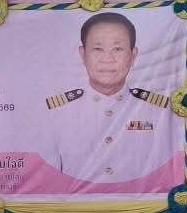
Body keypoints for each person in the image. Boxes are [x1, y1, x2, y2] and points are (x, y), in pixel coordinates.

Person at [41, 12, 179, 185]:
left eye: (118, 49)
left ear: (132, 56)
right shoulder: (57, 112)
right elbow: (49, 181)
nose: (107, 59)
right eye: (98, 49)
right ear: (83, 54)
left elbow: (165, 174)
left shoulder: (158, 111)